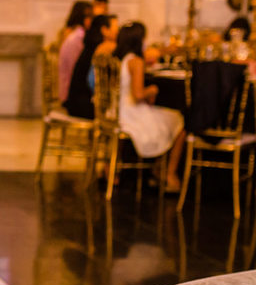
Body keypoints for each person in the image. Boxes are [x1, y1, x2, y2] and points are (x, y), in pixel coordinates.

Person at [114, 22, 186, 190]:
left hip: (117, 111)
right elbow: (138, 95)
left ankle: (158, 168)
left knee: (167, 118)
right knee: (178, 121)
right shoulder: (136, 61)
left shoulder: (120, 58)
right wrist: (153, 90)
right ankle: (169, 173)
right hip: (131, 114)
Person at [65, 13, 118, 119]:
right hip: (85, 106)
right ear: (104, 30)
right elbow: (93, 82)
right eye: (116, 28)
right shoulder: (104, 48)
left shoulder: (91, 45)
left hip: (75, 103)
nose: (119, 33)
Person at [56, 0, 93, 103]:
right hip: (71, 91)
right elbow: (76, 68)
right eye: (89, 16)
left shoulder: (76, 34)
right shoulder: (77, 36)